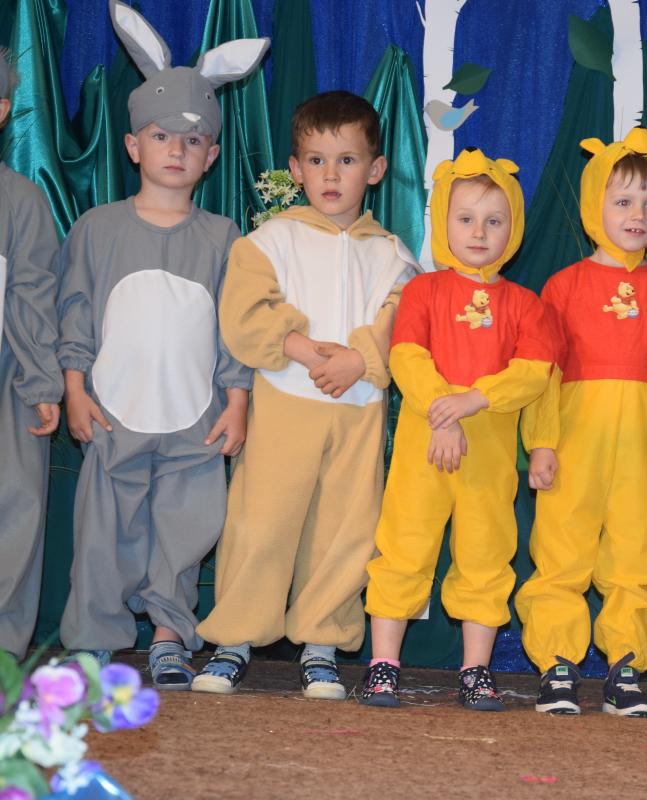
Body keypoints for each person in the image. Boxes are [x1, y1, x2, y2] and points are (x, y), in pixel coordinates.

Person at [55, 2, 267, 687]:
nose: (177, 149)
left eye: (193, 139)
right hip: (112, 412)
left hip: (193, 420)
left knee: (185, 530)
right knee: (101, 531)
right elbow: (76, 312)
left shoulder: (224, 237)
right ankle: (94, 637)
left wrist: (237, 402)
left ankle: (171, 635)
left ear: (211, 155)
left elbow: (235, 328)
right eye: (161, 135)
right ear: (132, 146)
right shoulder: (97, 228)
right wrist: (74, 389)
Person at [193, 91, 418, 700]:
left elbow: (403, 322)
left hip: (358, 412)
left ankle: (322, 644)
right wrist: (305, 349)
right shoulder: (270, 240)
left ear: (375, 169)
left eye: (347, 160)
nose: (330, 175)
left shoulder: (392, 255)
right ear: (295, 169)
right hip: (284, 407)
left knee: (345, 532)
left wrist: (359, 360)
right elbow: (244, 313)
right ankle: (234, 639)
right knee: (261, 524)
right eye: (316, 161)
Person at [515, 128, 647, 718]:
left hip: (641, 455)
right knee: (562, 554)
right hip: (575, 447)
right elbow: (544, 373)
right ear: (593, 205)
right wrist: (542, 443)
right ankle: (557, 664)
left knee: (634, 558)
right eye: (623, 201)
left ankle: (625, 666)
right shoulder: (564, 286)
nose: (637, 215)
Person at [361, 148, 551, 711]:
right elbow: (406, 357)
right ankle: (383, 665)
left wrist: (474, 399)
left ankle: (475, 670)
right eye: (466, 218)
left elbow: (533, 372)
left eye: (494, 220)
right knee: (403, 547)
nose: (479, 232)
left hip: (488, 459)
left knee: (487, 556)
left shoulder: (526, 304)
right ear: (443, 222)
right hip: (424, 447)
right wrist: (444, 411)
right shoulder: (423, 291)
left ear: (513, 228)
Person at [0, 55, 62, 660]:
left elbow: (33, 294)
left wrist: (41, 380)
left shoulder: (21, 200)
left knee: (16, 503)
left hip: (8, 378)